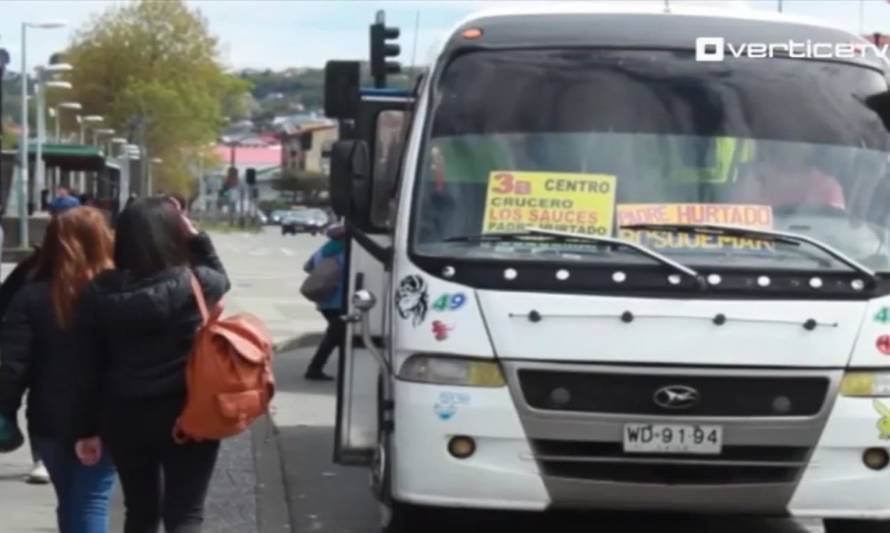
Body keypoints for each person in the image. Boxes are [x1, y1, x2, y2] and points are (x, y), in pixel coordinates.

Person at [73, 197, 230, 533]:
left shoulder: (97, 293)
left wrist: (86, 429)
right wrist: (196, 235)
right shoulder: (195, 284)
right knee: (186, 512)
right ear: (174, 235)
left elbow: (87, 368)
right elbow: (221, 277)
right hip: (189, 413)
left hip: (124, 415)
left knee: (140, 511)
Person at [0, 207, 117, 532]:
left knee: (69, 500)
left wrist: (6, 410)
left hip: (49, 417)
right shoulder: (119, 292)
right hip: (107, 415)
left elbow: (12, 364)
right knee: (91, 499)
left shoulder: (32, 295)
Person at [0, 192, 81, 485]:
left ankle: (43, 458)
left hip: (46, 370)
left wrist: (6, 405)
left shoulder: (32, 271)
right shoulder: (109, 274)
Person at [303, 223, 346, 381]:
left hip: (324, 300)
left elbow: (307, 267)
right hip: (340, 300)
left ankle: (345, 368)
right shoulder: (347, 251)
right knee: (335, 335)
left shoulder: (323, 250)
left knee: (340, 335)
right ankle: (314, 368)